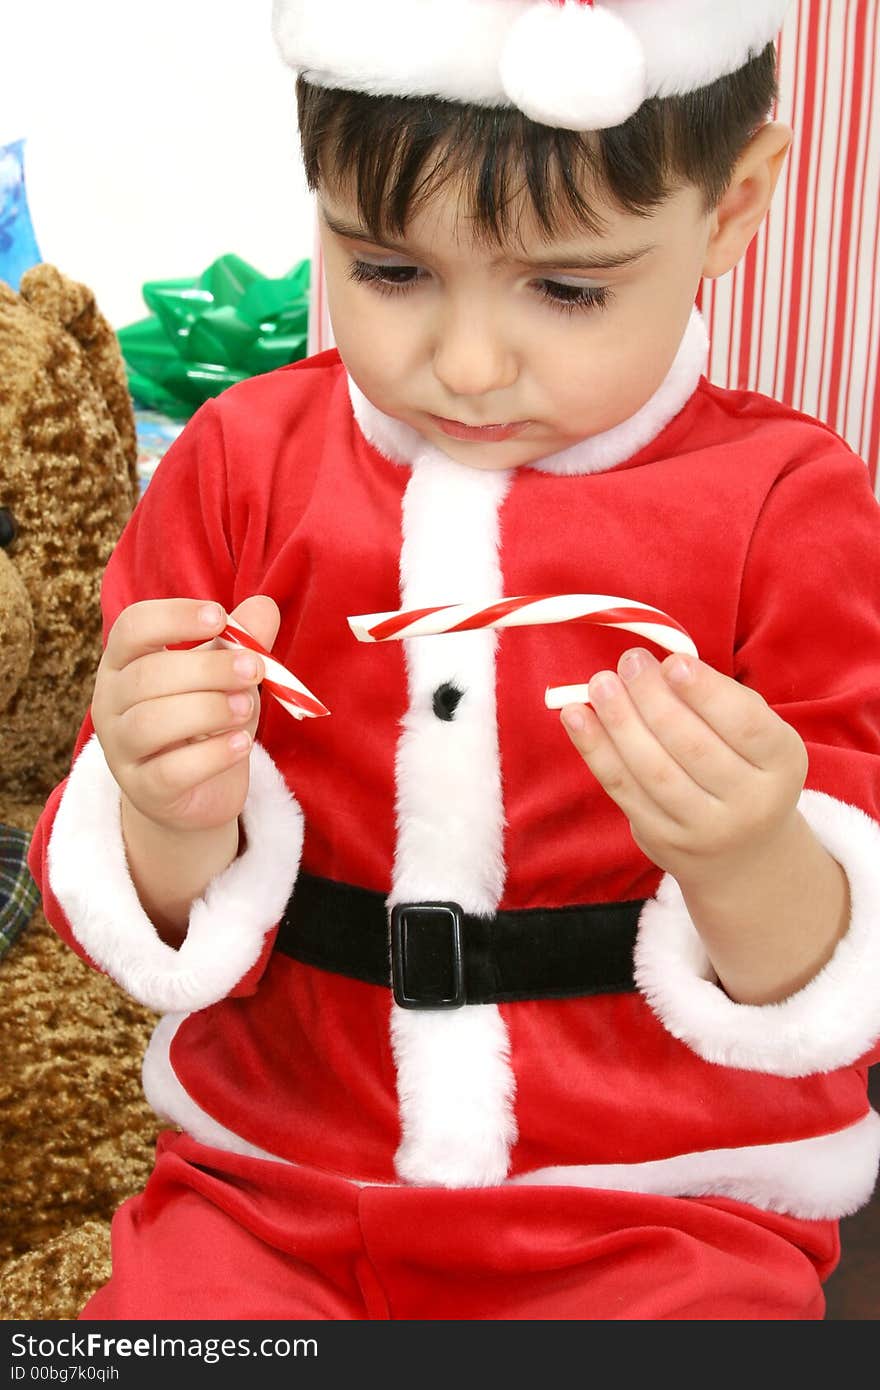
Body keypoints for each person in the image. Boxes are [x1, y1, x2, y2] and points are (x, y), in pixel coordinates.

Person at [29, 0, 880, 1321]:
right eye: (389, 270)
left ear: (731, 208)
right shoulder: (241, 471)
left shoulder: (790, 505)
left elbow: (829, 971)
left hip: (658, 1211)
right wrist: (160, 805)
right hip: (269, 1191)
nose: (471, 365)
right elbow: (156, 921)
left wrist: (747, 850)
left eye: (569, 288)